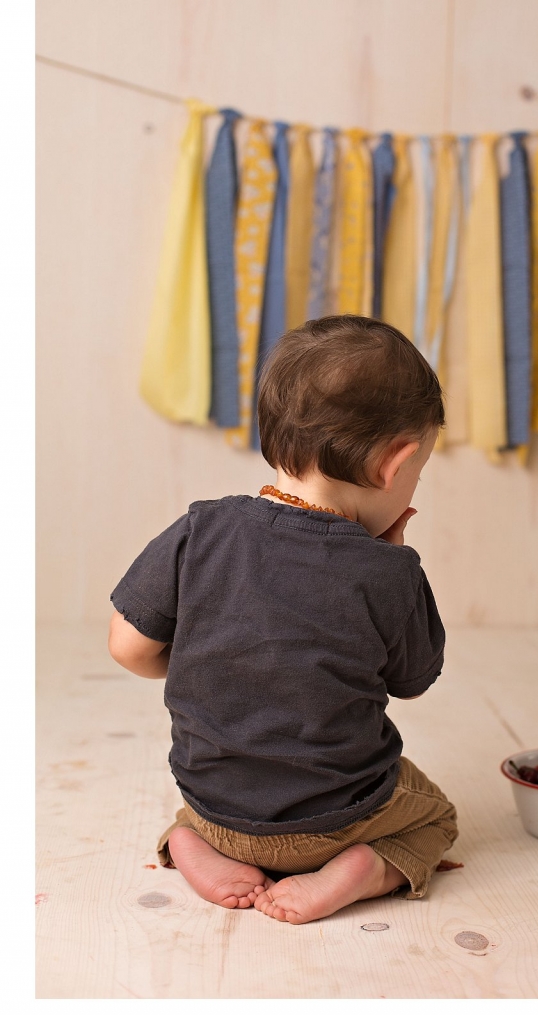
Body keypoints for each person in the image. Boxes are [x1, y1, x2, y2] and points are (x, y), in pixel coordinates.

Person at [108, 315, 458, 924]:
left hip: (216, 809)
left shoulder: (202, 529)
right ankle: (364, 867)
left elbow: (128, 646)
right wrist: (397, 561)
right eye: (417, 475)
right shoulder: (388, 572)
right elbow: (412, 680)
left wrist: (206, 660)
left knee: (201, 808)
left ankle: (188, 842)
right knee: (435, 816)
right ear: (394, 464)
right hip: (336, 821)